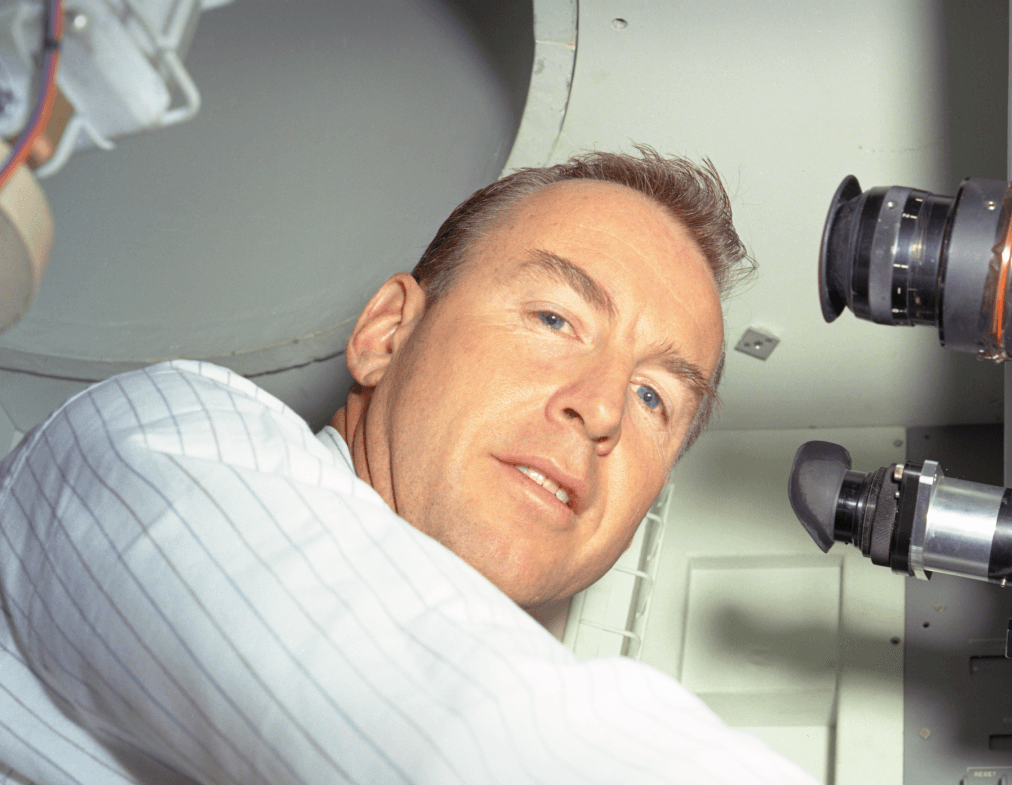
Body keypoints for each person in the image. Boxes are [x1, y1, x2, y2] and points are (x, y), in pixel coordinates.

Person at [0, 149, 820, 784]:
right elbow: (470, 737)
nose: (603, 408)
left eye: (654, 400)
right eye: (555, 316)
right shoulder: (161, 440)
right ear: (387, 332)